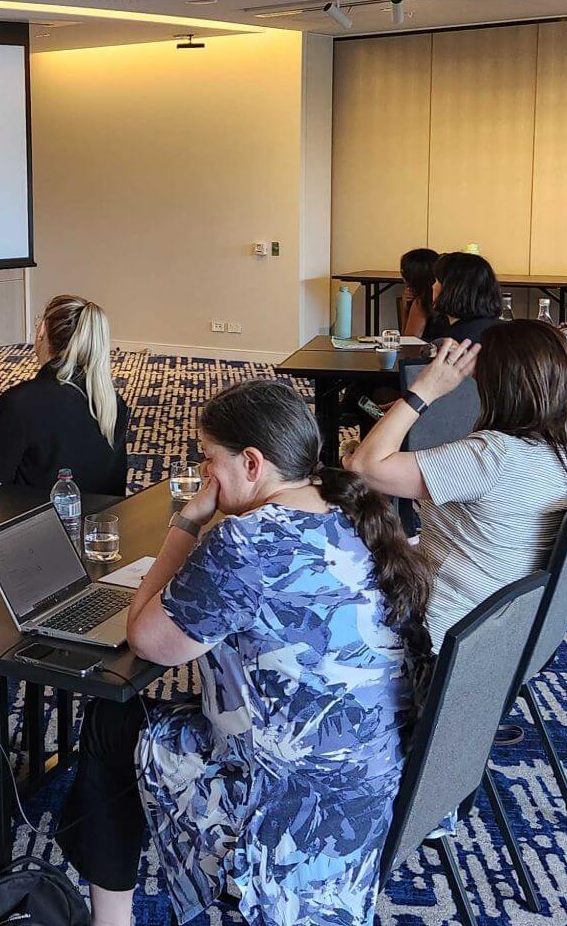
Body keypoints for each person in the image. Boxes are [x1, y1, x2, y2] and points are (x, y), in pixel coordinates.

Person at [53, 380, 432, 926]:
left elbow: (146, 637)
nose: (206, 472)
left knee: (112, 719)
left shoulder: (246, 543)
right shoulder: (353, 509)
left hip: (287, 797)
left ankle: (110, 920)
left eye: (209, 459)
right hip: (369, 775)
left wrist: (185, 524)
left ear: (252, 462)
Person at [351, 321, 567, 645]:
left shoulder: (491, 458)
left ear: (498, 383)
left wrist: (425, 390)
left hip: (437, 629)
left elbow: (363, 466)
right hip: (497, 632)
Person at [0, 294, 131, 494]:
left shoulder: (20, 403)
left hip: (39, 522)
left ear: (41, 331)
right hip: (101, 522)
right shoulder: (112, 402)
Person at [420, 250, 506, 344]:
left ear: (451, 288)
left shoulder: (453, 342)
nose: (433, 286)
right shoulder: (502, 331)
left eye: (436, 281)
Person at [396, 246, 440, 338]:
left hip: (427, 351)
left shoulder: (422, 302)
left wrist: (405, 309)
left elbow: (408, 341)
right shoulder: (448, 297)